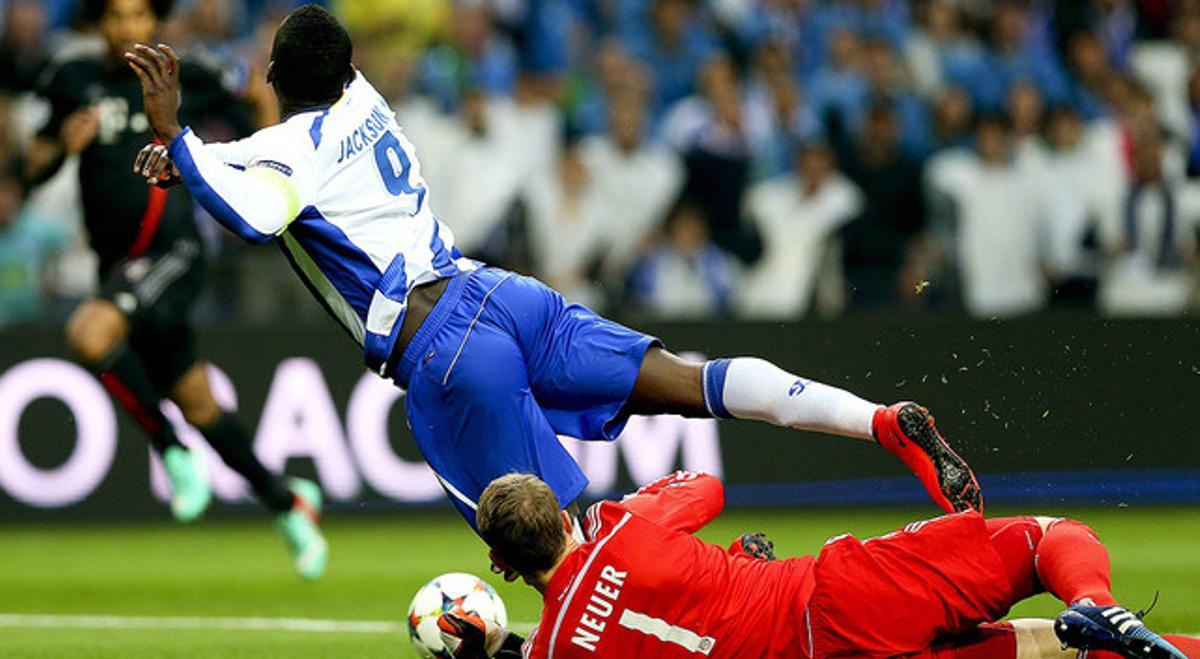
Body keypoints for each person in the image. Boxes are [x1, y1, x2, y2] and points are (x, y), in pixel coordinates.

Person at [123, 5, 982, 540]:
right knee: (691, 379)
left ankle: (713, 575)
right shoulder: (366, 102)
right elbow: (273, 166)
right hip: (499, 294)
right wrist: (192, 159)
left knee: (560, 552)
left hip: (442, 350)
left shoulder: (280, 151)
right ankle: (875, 419)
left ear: (273, 77)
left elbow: (255, 208)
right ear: (347, 70)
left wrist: (180, 136)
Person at [23, 0, 326, 580]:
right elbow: (31, 168)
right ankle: (288, 503)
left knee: (90, 332)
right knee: (201, 404)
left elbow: (260, 99)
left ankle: (170, 450)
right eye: (116, 16)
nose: (127, 28)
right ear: (99, 22)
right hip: (118, 267)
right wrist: (63, 142)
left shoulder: (187, 72)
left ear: (154, 21)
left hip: (175, 252)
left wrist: (267, 178)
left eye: (138, 15)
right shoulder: (73, 79)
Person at [438, 471, 1198, 659]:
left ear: (502, 565)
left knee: (1052, 658)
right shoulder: (615, 524)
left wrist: (490, 641)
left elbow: (567, 641)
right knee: (1045, 539)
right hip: (832, 597)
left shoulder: (554, 655)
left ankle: (1106, 637)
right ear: (563, 518)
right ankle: (1100, 601)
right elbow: (706, 487)